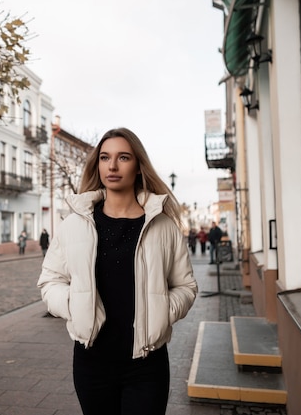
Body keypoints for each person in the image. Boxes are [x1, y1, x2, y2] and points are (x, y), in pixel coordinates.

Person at [37, 127, 198, 415]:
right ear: (97, 165)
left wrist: (162, 311)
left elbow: (185, 286)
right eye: (104, 158)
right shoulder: (75, 224)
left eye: (123, 157)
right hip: (92, 363)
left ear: (138, 167)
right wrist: (74, 305)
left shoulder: (162, 226)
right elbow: (50, 281)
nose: (112, 166)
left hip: (146, 365)